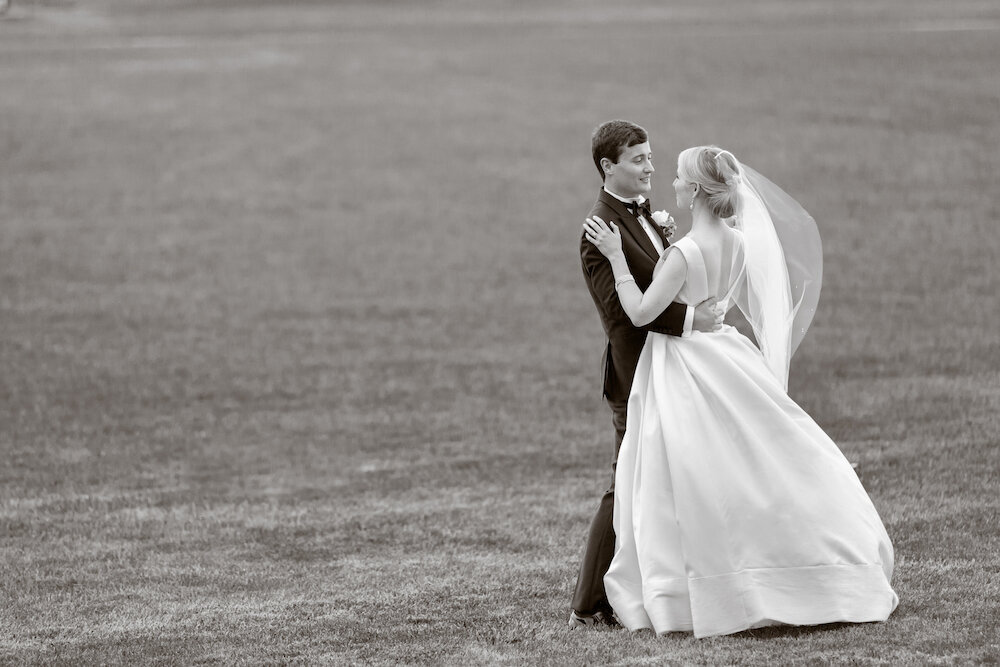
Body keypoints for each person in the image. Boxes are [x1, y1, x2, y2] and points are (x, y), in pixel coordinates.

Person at [582, 145, 898, 637]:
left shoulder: (685, 251)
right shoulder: (739, 243)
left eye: (682, 179)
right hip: (726, 354)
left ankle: (691, 584)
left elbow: (641, 313)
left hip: (684, 366)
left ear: (699, 192)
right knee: (749, 459)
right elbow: (712, 306)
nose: (673, 184)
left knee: (683, 473)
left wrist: (619, 259)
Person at [570, 121, 723, 628]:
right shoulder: (599, 230)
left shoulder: (642, 215)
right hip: (636, 375)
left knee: (664, 480)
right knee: (625, 483)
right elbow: (618, 315)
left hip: (668, 370)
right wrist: (689, 320)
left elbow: (656, 275)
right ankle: (589, 604)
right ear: (607, 167)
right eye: (638, 160)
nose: (650, 167)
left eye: (651, 157)